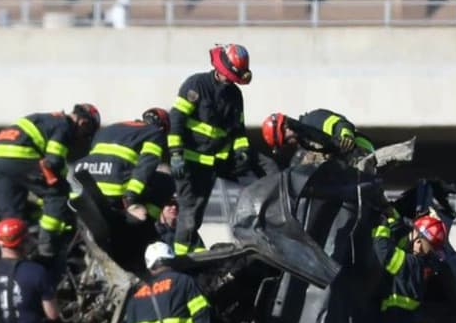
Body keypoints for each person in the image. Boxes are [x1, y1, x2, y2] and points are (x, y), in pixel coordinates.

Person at [168, 43, 266, 255]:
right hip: (189, 163)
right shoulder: (196, 84)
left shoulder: (235, 95)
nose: (232, 80)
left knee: (197, 215)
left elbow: (238, 129)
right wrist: (176, 154)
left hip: (214, 163)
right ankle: (181, 260)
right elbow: (176, 120)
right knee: (189, 213)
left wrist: (243, 151)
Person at [0, 104, 101, 260]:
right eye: (86, 134)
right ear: (83, 123)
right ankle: (46, 249)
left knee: (11, 213)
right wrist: (66, 184)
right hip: (20, 154)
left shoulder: (46, 119)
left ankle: (12, 256)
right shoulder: (64, 125)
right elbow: (54, 161)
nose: (82, 138)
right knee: (57, 194)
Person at [73, 107, 170, 219]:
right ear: (162, 127)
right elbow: (146, 166)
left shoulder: (108, 128)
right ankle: (149, 226)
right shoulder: (155, 132)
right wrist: (131, 197)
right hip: (114, 189)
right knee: (165, 181)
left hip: (87, 185)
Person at [260, 109, 375, 169]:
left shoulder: (312, 120)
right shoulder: (302, 152)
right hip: (344, 168)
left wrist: (346, 135)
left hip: (359, 151)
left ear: (286, 126)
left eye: (285, 140)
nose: (289, 143)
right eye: (284, 143)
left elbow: (339, 123)